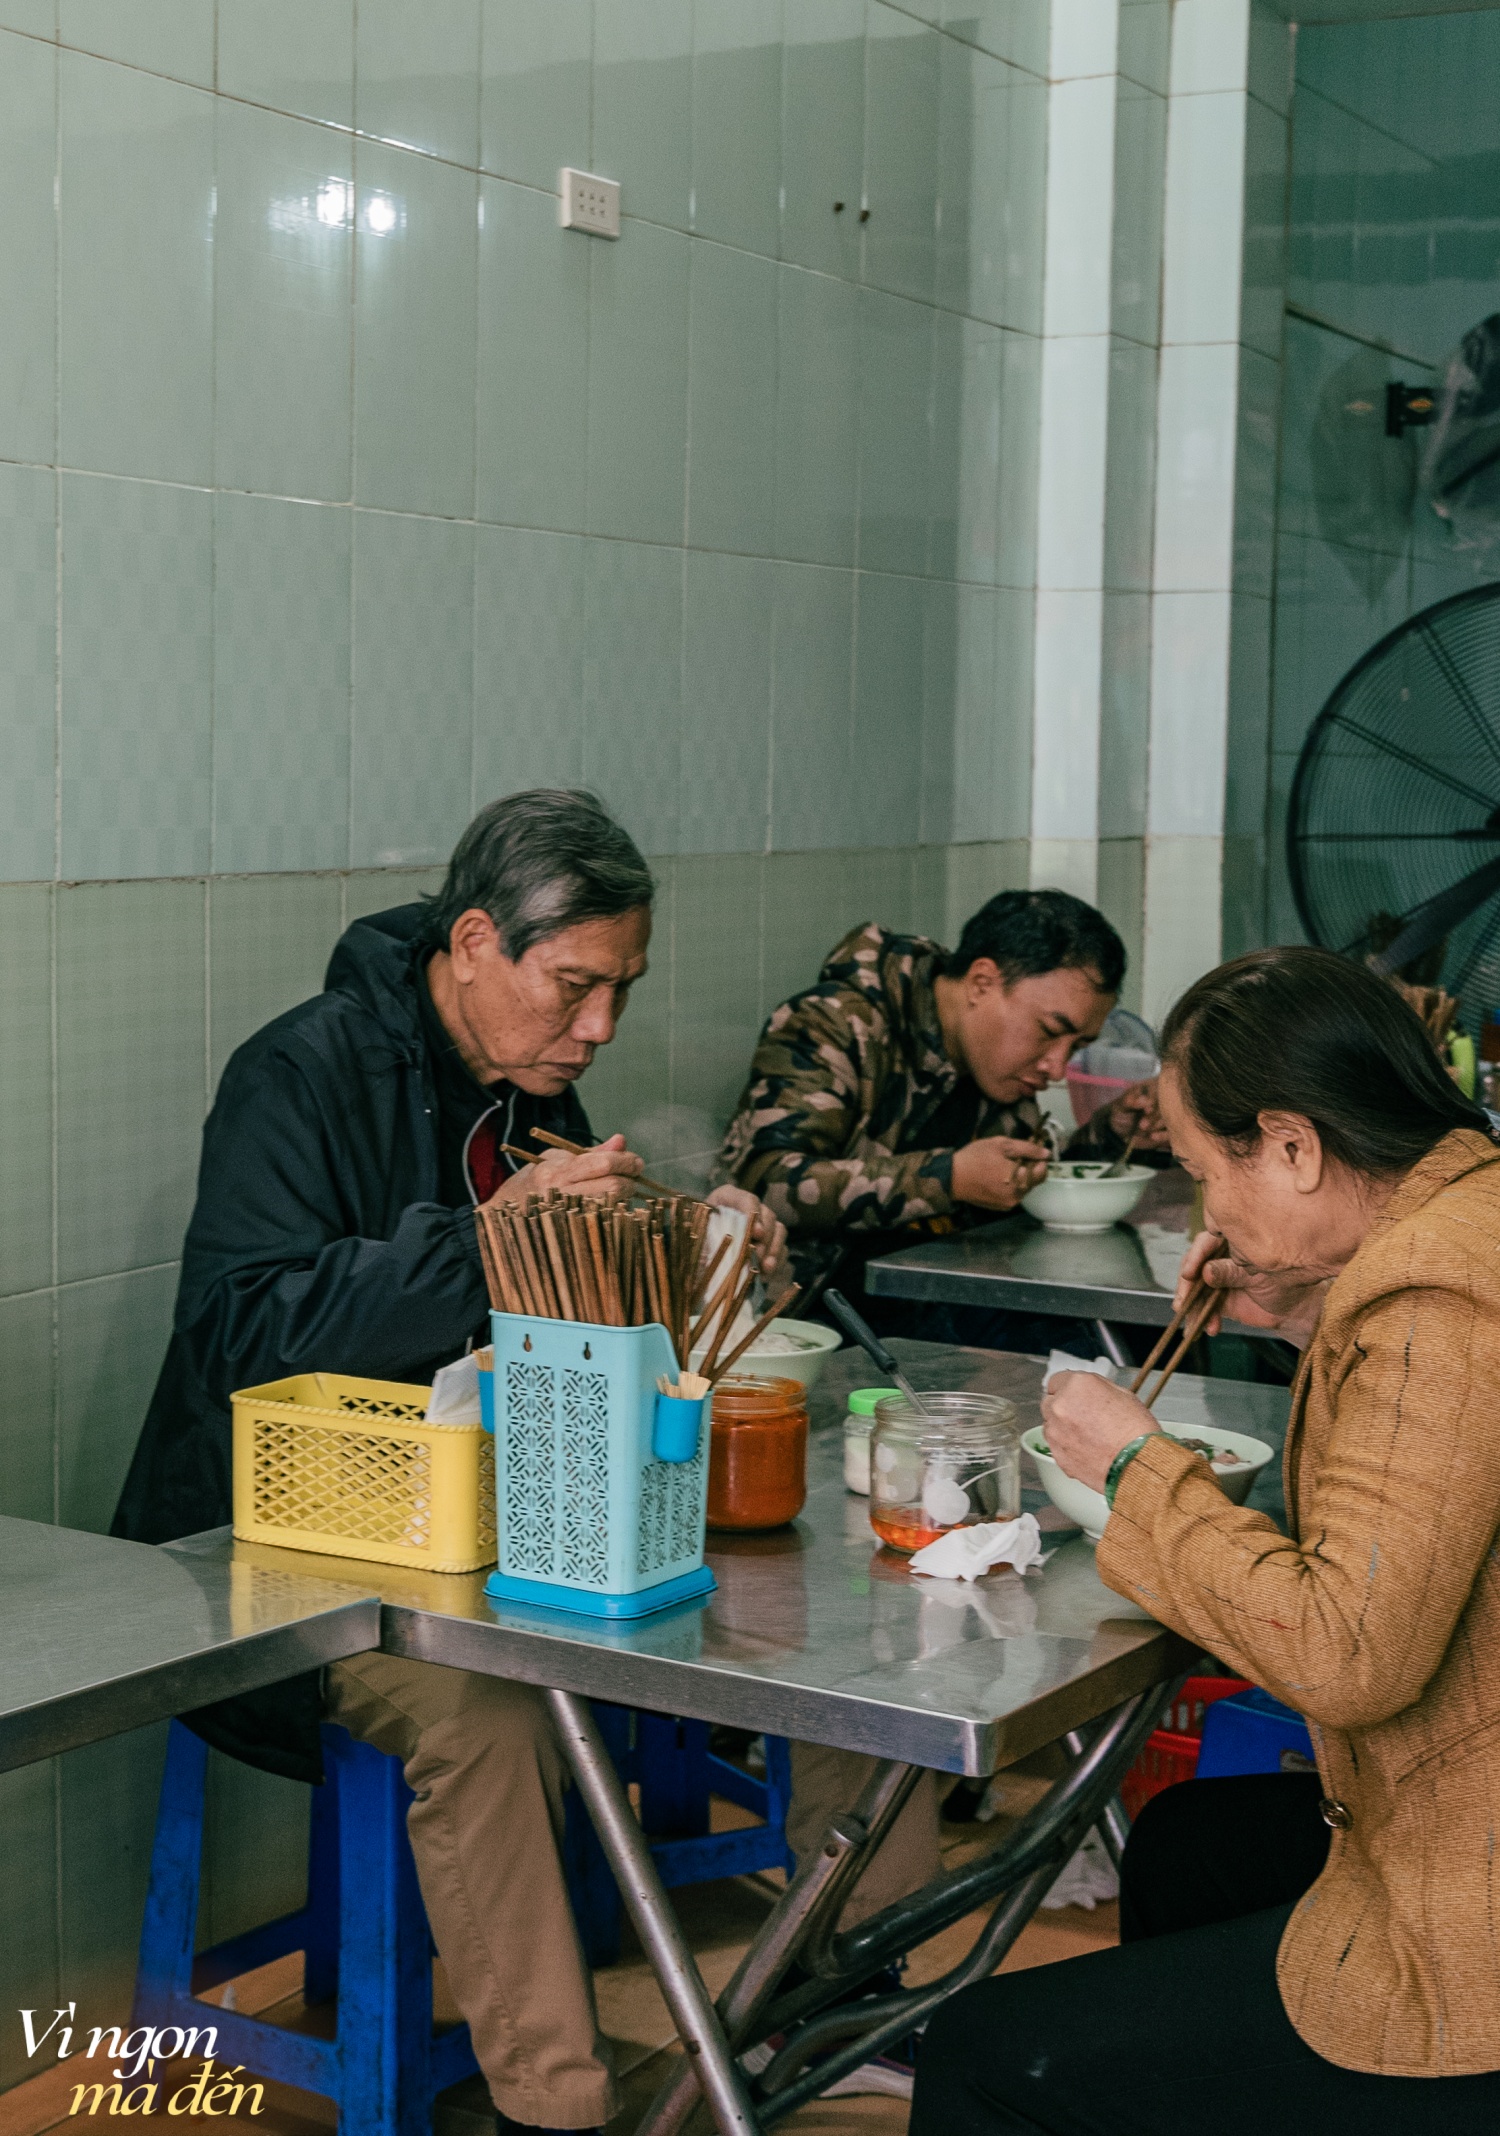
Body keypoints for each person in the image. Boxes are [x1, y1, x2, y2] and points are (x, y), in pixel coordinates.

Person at [113, 790, 789, 2135]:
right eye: (575, 988)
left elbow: (552, 1304)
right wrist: (484, 1240)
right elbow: (241, 1328)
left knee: (746, 1596)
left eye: (620, 993)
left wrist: (686, 1236)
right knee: (484, 1712)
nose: (597, 1027)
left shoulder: (515, 1079)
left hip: (453, 1524)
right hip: (254, 1550)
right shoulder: (299, 1072)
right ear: (475, 941)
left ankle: (822, 2001)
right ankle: (561, 2109)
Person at [910, 946, 1500, 2135]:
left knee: (982, 2059)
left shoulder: (1437, 1297)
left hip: (1472, 1914)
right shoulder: (1461, 1210)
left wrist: (1136, 1466)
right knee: (1185, 1846)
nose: (1201, 1211)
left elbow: (1348, 1652)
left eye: (1194, 1168)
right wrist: (1301, 1308)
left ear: (1290, 1146)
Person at [717, 890, 1164, 1353]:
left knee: (1118, 1338)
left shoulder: (997, 1070)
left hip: (933, 1308)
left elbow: (1018, 1188)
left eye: (1076, 1047)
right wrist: (947, 1179)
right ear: (981, 983)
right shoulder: (835, 1024)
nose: (1056, 1067)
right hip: (807, 1320)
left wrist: (1109, 1137)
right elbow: (771, 1182)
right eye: (1049, 1032)